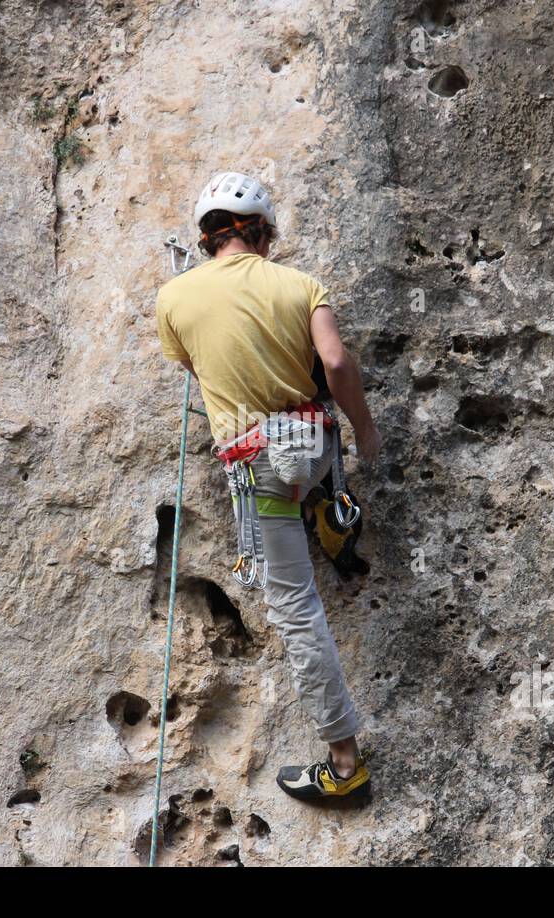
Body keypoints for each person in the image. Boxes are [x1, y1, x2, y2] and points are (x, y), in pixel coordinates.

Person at [156, 171, 381, 801]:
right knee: (312, 449)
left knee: (296, 608)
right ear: (262, 230)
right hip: (315, 444)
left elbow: (192, 364)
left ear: (206, 239)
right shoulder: (302, 285)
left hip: (255, 462)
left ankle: (345, 767)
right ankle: (335, 517)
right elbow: (334, 364)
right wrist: (365, 431)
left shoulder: (174, 299)